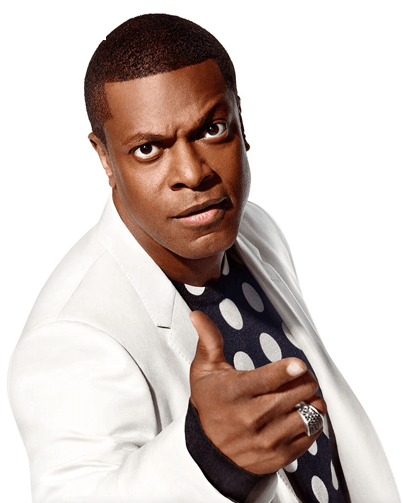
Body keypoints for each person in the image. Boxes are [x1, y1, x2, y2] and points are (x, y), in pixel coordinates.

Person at [7, 13, 399, 503]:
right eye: (148, 149)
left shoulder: (255, 230)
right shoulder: (71, 337)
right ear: (105, 158)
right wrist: (211, 459)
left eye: (212, 129)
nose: (193, 174)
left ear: (241, 120)